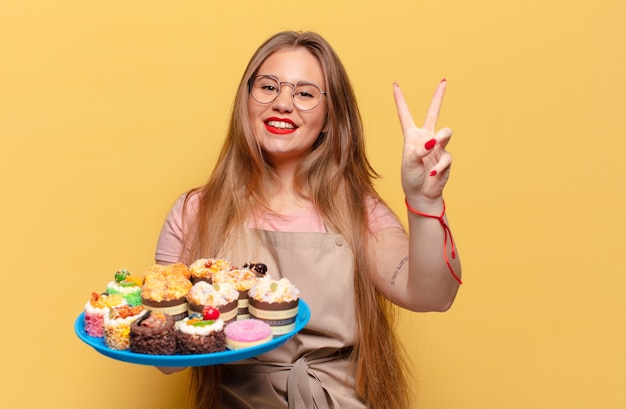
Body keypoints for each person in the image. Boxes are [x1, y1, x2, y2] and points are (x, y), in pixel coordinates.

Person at [155, 30, 462, 409]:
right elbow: (165, 359)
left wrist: (424, 202)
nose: (283, 103)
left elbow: (432, 295)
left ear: (331, 117)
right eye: (268, 87)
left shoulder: (359, 212)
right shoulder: (196, 211)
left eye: (304, 93)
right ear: (245, 101)